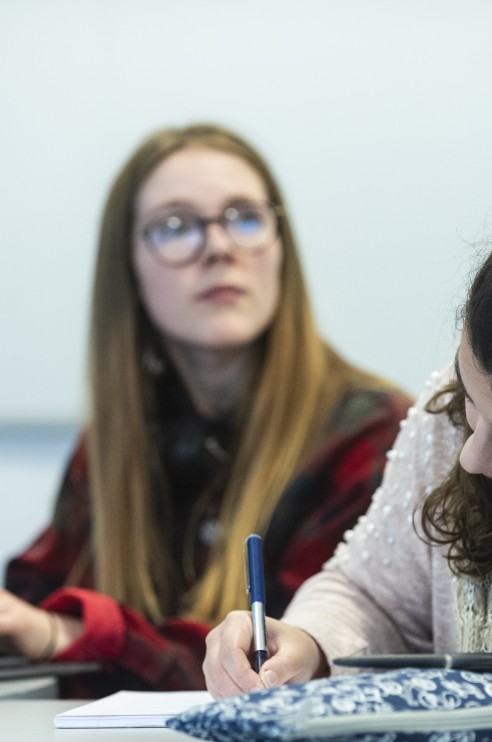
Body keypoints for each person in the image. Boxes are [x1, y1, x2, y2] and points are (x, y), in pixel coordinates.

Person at [0, 123, 412, 697]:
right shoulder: (116, 442)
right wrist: (26, 624)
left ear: (280, 250)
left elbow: (283, 662)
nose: (219, 248)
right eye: (176, 226)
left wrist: (60, 632)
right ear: (130, 270)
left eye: (244, 217)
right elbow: (26, 601)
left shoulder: (374, 435)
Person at [203, 186, 492, 699]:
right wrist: (309, 646)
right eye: (470, 395)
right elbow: (369, 594)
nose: (472, 457)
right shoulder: (445, 416)